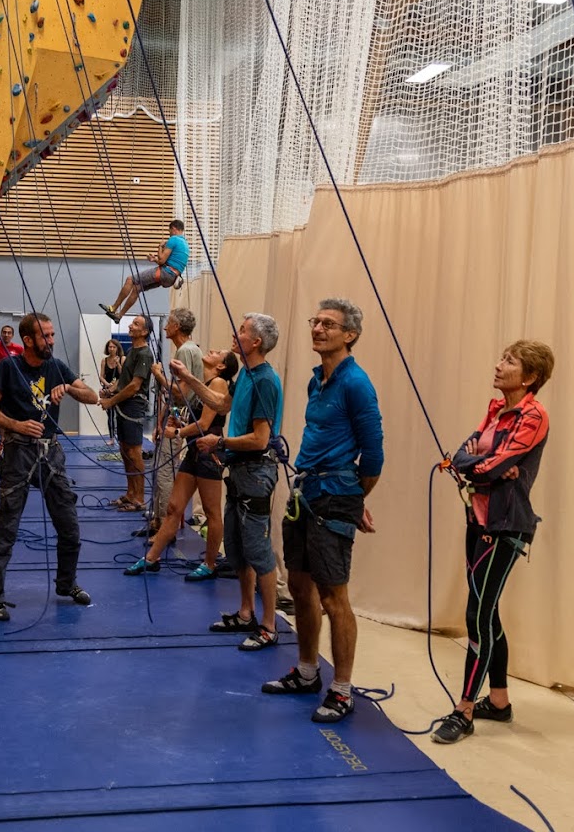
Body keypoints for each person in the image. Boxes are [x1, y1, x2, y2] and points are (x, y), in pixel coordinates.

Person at [262, 300, 383, 723]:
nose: (317, 329)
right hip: (305, 492)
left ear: (349, 335)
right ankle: (309, 671)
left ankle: (343, 689)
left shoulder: (356, 384)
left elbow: (374, 455)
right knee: (299, 585)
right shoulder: (319, 381)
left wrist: (353, 499)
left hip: (334, 496)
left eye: (328, 324)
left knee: (335, 597)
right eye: (315, 322)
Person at [430, 340, 555, 744]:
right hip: (478, 519)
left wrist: (484, 468)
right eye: (501, 357)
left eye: (510, 361)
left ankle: (464, 710)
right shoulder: (496, 411)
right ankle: (498, 703)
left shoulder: (533, 415)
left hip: (505, 527)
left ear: (530, 377)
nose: (499, 365)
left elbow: (491, 465)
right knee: (488, 612)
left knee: (476, 616)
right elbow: (462, 459)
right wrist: (478, 467)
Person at [0, 312, 101, 620]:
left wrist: (70, 389)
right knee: (7, 527)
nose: (51, 340)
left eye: (52, 335)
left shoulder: (56, 366)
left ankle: (66, 583)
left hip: (51, 454)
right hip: (18, 453)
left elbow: (93, 396)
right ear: (28, 340)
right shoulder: (10, 367)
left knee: (69, 526)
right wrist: (16, 425)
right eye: (45, 336)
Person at [196, 313, 284, 652]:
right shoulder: (245, 374)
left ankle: (269, 625)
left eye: (243, 330)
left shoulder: (264, 380)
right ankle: (246, 612)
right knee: (236, 548)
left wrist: (219, 443)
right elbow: (221, 403)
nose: (236, 333)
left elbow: (261, 439)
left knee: (258, 551)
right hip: (240, 472)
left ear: (256, 342)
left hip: (256, 472)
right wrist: (190, 378)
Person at [123, 348, 238, 580]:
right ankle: (152, 558)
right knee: (174, 508)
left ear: (222, 366)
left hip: (209, 453)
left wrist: (175, 432)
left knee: (211, 512)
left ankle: (210, 563)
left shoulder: (217, 384)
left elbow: (205, 424)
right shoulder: (202, 383)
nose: (211, 350)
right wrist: (179, 422)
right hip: (195, 452)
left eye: (217, 352)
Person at [147, 308, 205, 529]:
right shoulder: (187, 350)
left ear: (177, 326)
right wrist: (160, 422)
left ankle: (164, 525)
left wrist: (159, 375)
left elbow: (181, 393)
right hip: (173, 418)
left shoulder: (185, 352)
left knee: (163, 472)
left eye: (169, 322)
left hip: (180, 421)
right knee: (159, 469)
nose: (165, 326)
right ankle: (157, 520)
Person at [99, 314, 154, 513]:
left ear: (145, 331)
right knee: (124, 450)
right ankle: (130, 493)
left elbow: (134, 386)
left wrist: (110, 401)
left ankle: (139, 498)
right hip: (124, 404)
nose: (131, 325)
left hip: (133, 406)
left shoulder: (145, 354)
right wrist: (109, 391)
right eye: (132, 323)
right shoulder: (131, 351)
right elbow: (123, 382)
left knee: (134, 451)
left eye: (136, 324)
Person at [99, 220, 189, 322]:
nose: (169, 234)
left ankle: (113, 308)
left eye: (170, 232)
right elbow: (171, 263)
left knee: (130, 279)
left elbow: (161, 260)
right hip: (171, 278)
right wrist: (154, 259)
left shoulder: (174, 239)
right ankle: (119, 316)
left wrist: (160, 246)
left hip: (165, 273)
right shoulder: (185, 244)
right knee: (137, 288)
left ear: (174, 229)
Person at [100, 339, 124, 447]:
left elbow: (123, 374)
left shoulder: (123, 359)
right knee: (110, 415)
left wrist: (118, 363)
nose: (112, 349)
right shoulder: (104, 360)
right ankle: (111, 438)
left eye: (114, 347)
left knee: (120, 415)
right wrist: (107, 384)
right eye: (110, 347)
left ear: (118, 348)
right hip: (108, 389)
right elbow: (101, 376)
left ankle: (121, 437)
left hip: (119, 390)